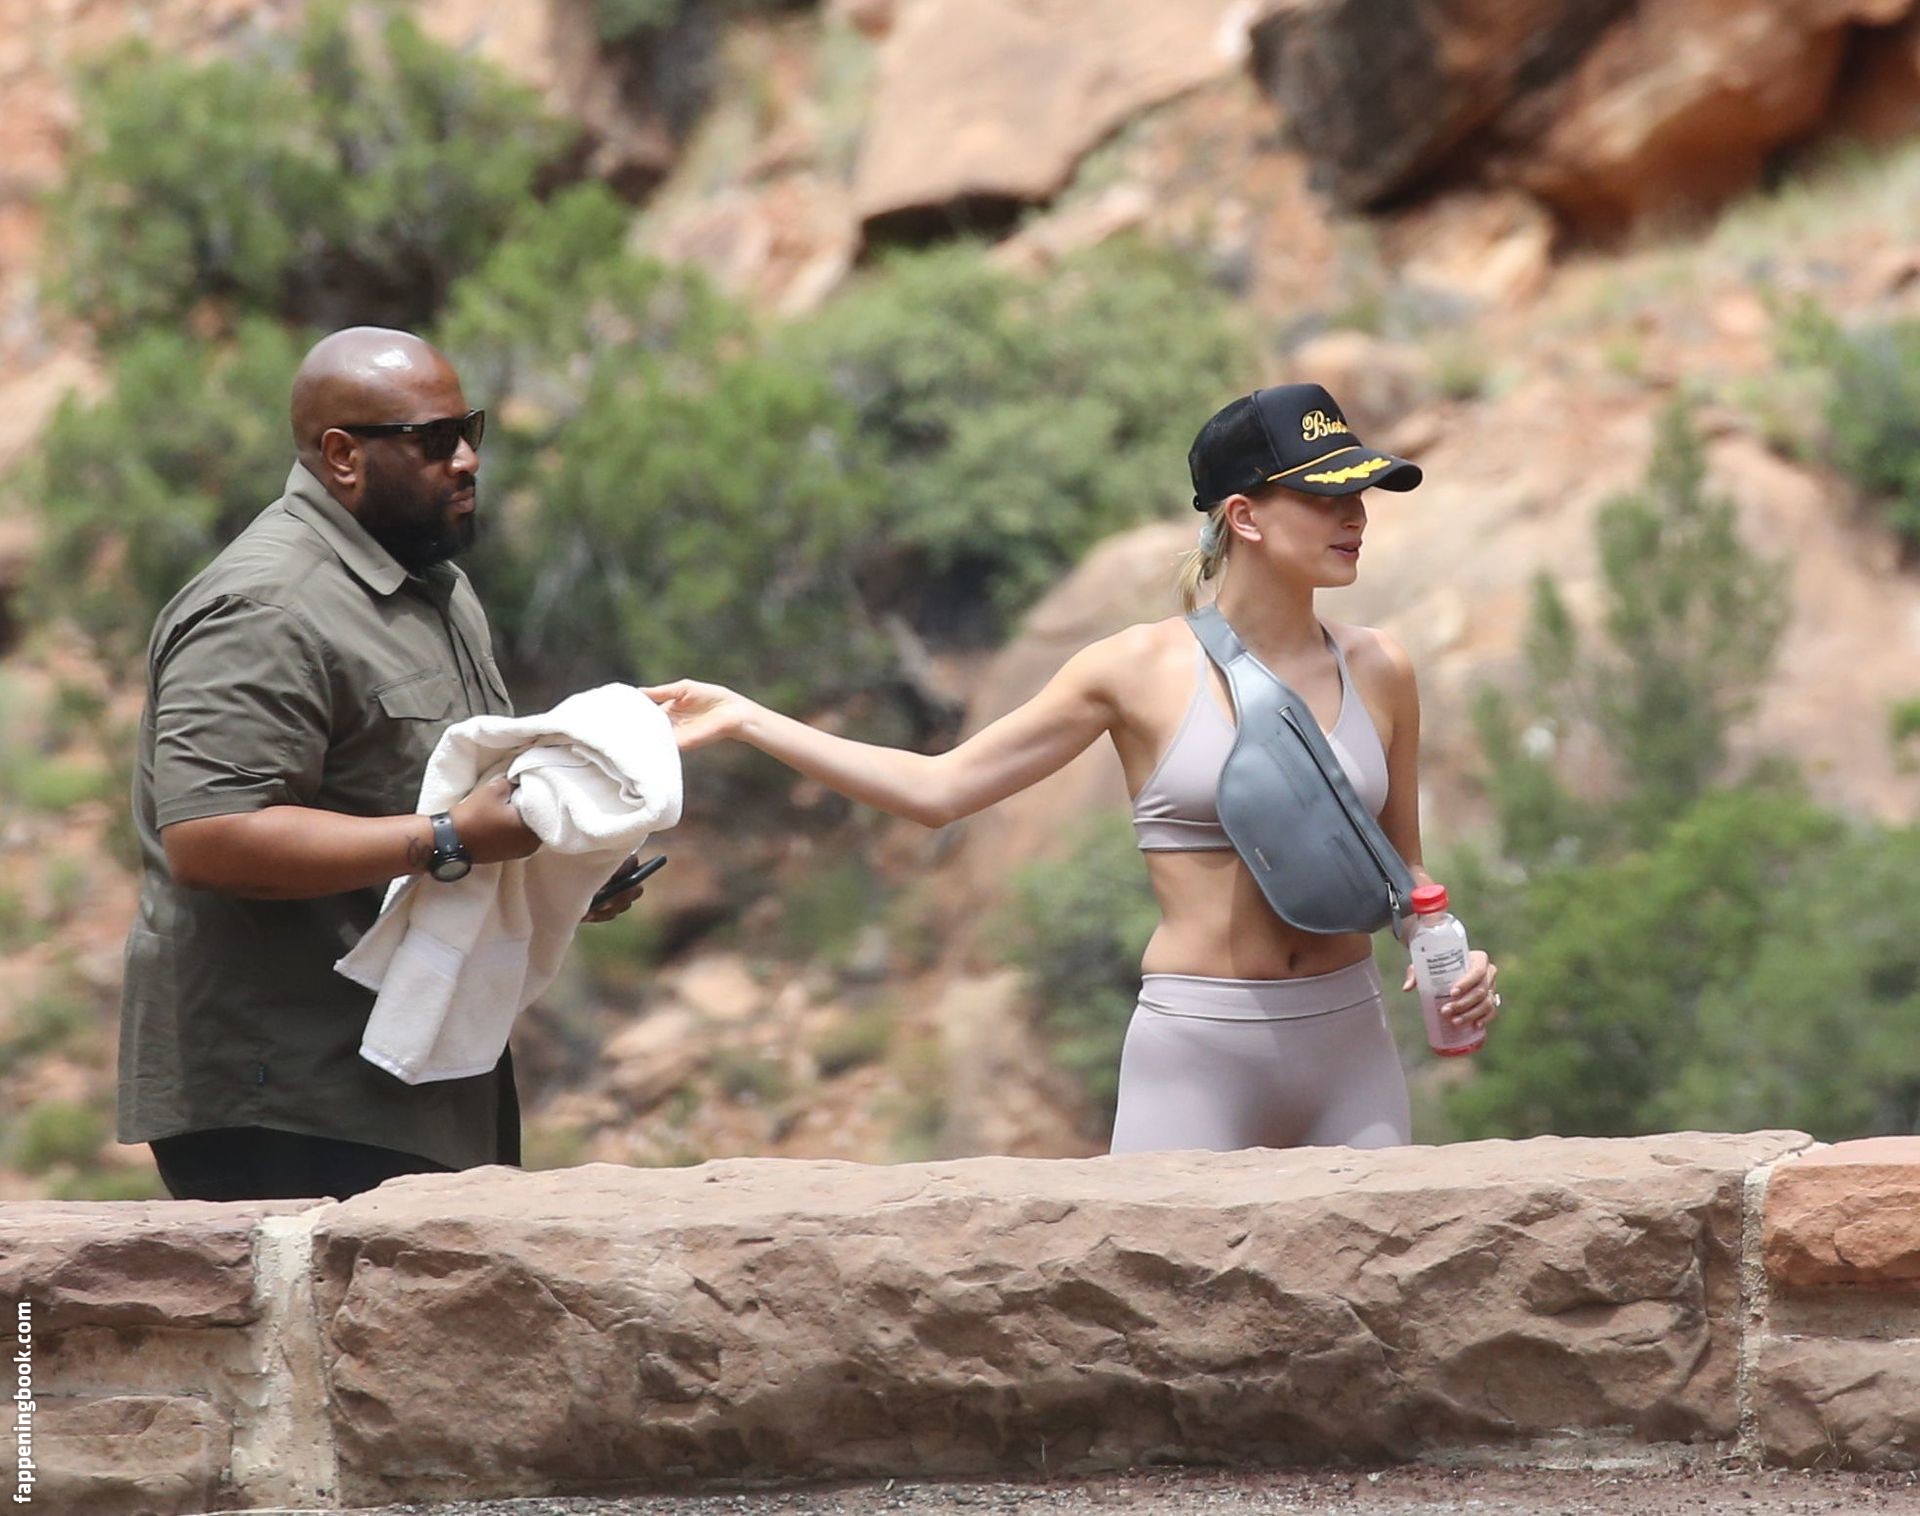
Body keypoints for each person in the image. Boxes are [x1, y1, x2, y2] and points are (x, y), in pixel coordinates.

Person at [646, 383, 1499, 1153]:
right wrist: (748, 719)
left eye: (1360, 494)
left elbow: (1406, 875)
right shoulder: (1133, 670)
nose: (1355, 517)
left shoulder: (1381, 667)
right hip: (1199, 1056)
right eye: (1324, 497)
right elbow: (939, 790)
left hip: (1351, 1050)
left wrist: (1448, 957)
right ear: (1245, 517)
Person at [118, 326, 649, 1202]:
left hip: (411, 1083)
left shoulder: (433, 586)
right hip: (287, 1099)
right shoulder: (266, 606)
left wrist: (557, 865)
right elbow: (211, 837)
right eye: (433, 440)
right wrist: (450, 838)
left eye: (469, 430)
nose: (467, 460)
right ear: (342, 456)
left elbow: (424, 793)